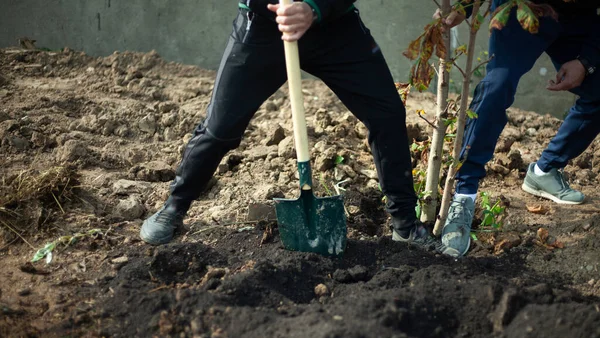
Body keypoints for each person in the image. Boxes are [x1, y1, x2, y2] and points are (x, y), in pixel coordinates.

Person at [140, 0, 442, 251]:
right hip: (263, 26)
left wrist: (315, 7)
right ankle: (175, 207)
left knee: (386, 113)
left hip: (334, 26)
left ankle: (405, 224)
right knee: (220, 128)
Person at [438, 0, 600, 257]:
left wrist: (587, 60)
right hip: (522, 6)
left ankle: (544, 171)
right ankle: (464, 195)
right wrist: (465, 5)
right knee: (498, 84)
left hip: (580, 16)